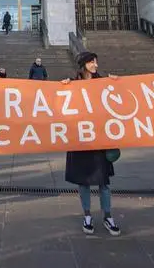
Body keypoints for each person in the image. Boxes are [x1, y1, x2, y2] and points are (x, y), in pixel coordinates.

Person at [62, 51, 121, 236]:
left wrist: (117, 84)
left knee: (104, 181)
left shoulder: (104, 82)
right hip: (80, 138)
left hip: (100, 137)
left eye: (96, 61)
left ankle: (107, 215)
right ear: (83, 64)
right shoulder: (72, 84)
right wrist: (62, 88)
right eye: (91, 62)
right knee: (84, 181)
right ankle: (87, 215)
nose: (95, 65)